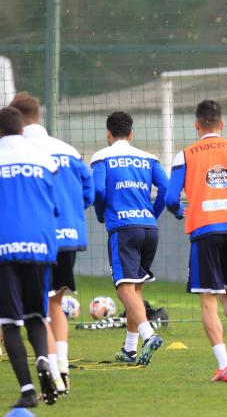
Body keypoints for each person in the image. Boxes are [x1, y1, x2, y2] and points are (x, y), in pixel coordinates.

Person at [165, 99, 227, 382]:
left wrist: (178, 211)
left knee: (208, 298)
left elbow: (170, 198)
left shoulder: (185, 154)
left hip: (206, 229)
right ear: (221, 125)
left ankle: (225, 366)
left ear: (197, 125)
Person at [11, 92, 94, 395]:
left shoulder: (19, 152)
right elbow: (89, 192)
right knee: (55, 302)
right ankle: (62, 366)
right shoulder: (68, 150)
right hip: (69, 237)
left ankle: (53, 373)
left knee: (36, 308)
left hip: (37, 238)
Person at [91, 111, 168, 366]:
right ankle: (130, 348)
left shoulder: (102, 157)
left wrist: (102, 214)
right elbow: (166, 190)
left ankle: (148, 335)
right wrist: (152, 214)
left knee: (124, 287)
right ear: (131, 134)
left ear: (108, 134)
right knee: (135, 287)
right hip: (149, 228)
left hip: (123, 228)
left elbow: (99, 190)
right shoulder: (148, 158)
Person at [0, 106, 59, 408]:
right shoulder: (43, 158)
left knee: (10, 322)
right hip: (40, 243)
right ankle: (43, 360)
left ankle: (26, 389)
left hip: (4, 245)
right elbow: (55, 205)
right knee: (36, 315)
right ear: (22, 130)